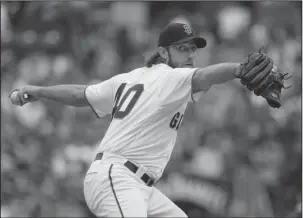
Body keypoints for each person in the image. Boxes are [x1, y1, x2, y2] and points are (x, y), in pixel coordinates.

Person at [9, 23, 273, 217]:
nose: (190, 55)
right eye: (182, 49)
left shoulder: (131, 77)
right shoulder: (171, 76)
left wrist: (41, 91)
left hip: (136, 184)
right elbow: (204, 76)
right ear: (163, 52)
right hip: (118, 177)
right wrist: (238, 69)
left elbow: (81, 94)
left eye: (193, 49)